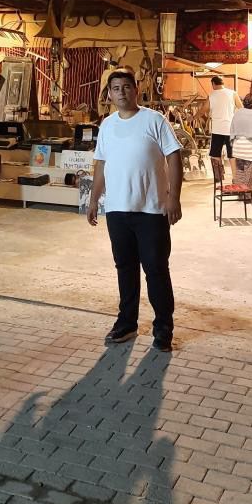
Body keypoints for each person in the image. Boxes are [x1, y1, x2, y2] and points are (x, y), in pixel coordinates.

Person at [87, 70, 182, 353]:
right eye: (115, 88)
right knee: (125, 269)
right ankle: (127, 323)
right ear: (109, 94)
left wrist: (173, 198)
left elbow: (174, 157)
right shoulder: (107, 125)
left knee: (155, 270)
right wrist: (94, 199)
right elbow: (101, 164)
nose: (121, 92)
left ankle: (163, 330)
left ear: (136, 89)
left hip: (151, 210)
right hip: (117, 210)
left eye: (126, 87)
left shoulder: (154, 120)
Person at [207, 74, 242, 179]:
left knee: (215, 154)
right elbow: (241, 108)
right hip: (230, 128)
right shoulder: (233, 93)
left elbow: (203, 109)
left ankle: (218, 178)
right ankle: (235, 177)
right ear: (223, 84)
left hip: (217, 129)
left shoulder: (211, 95)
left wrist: (193, 117)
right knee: (232, 154)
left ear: (213, 84)